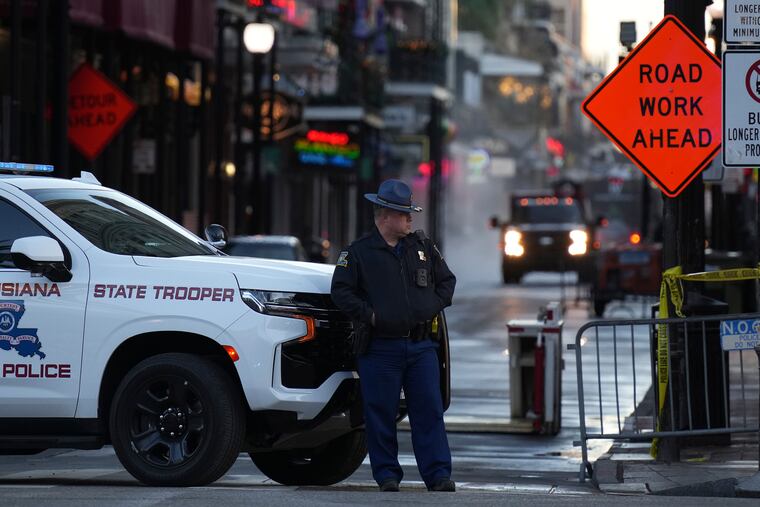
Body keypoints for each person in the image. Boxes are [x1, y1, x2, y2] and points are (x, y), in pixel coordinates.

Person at [331, 179, 456, 492]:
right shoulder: (358, 252)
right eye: (404, 213)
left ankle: (438, 474)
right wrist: (371, 315)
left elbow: (447, 283)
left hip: (421, 346)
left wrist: (429, 307)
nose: (410, 219)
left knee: (429, 410)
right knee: (380, 413)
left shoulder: (423, 248)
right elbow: (341, 291)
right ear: (385, 215)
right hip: (379, 348)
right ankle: (387, 475)